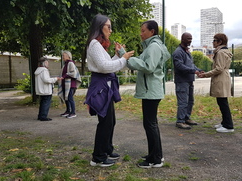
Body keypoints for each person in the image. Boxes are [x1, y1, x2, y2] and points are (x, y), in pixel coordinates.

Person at [84, 14, 134, 167]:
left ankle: (106, 149)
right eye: (108, 27)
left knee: (110, 121)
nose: (110, 30)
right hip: (101, 87)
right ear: (100, 27)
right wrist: (123, 58)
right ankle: (98, 157)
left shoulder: (98, 45)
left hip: (105, 86)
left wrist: (117, 55)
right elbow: (105, 68)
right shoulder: (94, 44)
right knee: (105, 122)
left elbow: (107, 64)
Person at [126, 20, 170, 169]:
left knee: (150, 124)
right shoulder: (151, 46)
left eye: (143, 30)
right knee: (151, 124)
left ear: (152, 32)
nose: (141, 33)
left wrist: (129, 60)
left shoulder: (153, 47)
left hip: (150, 91)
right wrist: (123, 55)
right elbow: (140, 61)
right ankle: (156, 154)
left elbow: (148, 67)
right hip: (150, 90)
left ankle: (155, 159)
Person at [198, 33, 234, 133]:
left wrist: (205, 74)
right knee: (222, 101)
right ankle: (225, 122)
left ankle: (228, 125)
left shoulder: (220, 53)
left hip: (221, 78)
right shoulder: (223, 51)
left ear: (220, 42)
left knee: (223, 102)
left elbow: (219, 68)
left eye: (214, 40)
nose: (213, 43)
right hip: (223, 77)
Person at [173, 32, 203, 129]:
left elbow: (191, 65)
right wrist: (193, 71)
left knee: (190, 101)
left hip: (189, 80)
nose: (190, 40)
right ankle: (180, 121)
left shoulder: (187, 52)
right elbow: (180, 66)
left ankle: (186, 118)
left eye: (191, 38)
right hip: (182, 81)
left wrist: (198, 70)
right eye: (188, 39)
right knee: (183, 102)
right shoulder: (178, 52)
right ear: (182, 39)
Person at [35, 57, 62, 121]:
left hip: (41, 89)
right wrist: (56, 79)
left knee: (42, 102)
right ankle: (43, 116)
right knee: (46, 103)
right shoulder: (44, 70)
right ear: (44, 63)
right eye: (47, 62)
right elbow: (46, 80)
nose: (48, 64)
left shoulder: (38, 70)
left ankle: (40, 115)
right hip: (45, 90)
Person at [58, 51, 81, 119]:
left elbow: (73, 74)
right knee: (66, 98)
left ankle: (73, 112)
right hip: (65, 84)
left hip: (71, 85)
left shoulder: (70, 63)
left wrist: (64, 76)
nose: (63, 57)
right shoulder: (65, 64)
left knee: (70, 98)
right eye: (63, 56)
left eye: (64, 55)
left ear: (68, 56)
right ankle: (68, 111)